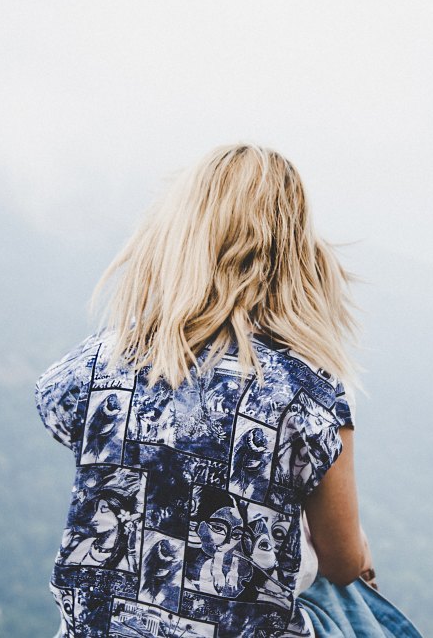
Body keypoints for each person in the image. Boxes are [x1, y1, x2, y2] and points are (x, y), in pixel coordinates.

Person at [35, 144, 372, 638]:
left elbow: (59, 412)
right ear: (294, 250)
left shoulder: (98, 362)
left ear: (179, 236)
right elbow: (343, 564)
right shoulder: (313, 391)